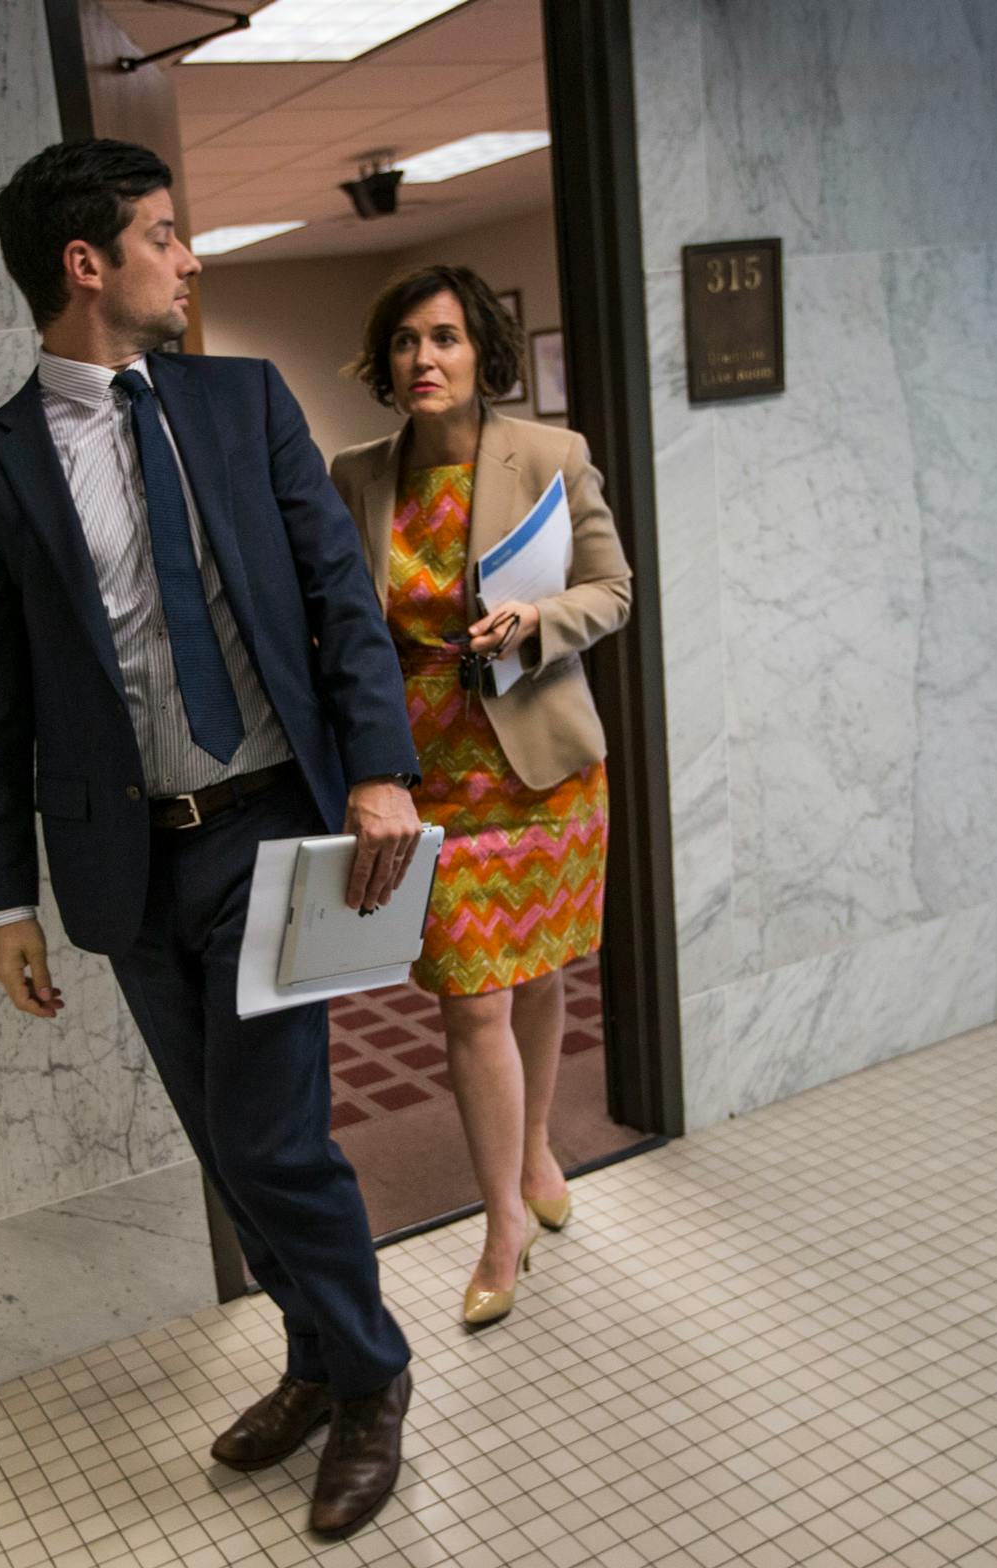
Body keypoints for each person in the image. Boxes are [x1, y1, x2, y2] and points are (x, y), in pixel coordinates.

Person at [0, 138, 425, 1540]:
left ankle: (373, 1376)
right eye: (164, 232)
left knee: (270, 1139)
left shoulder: (241, 402)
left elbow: (340, 592)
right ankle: (318, 1361)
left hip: (275, 826)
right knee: (226, 1142)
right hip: (127, 858)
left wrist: (381, 766)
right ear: (87, 265)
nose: (189, 255)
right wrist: (3, 902)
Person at [330, 266, 631, 1327]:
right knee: (474, 992)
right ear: (386, 361)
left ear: (481, 351)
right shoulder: (355, 474)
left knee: (534, 969)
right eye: (406, 340)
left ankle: (537, 1145)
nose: (426, 358)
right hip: (426, 776)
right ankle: (502, 1216)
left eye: (446, 337)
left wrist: (538, 621)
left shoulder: (551, 456)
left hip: (539, 765)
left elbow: (612, 587)